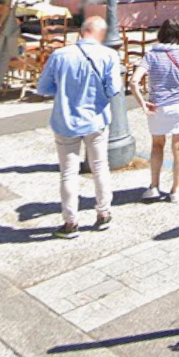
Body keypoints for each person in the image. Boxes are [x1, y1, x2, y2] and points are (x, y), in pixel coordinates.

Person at [36, 15, 120, 239]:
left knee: (68, 172)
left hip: (66, 120)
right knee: (100, 167)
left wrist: (64, 91)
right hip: (96, 119)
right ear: (101, 35)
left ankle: (70, 222)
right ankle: (104, 214)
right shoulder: (109, 55)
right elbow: (114, 90)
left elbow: (43, 87)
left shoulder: (60, 55)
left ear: (81, 32)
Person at [130, 19, 179, 203]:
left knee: (157, 145)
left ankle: (154, 186)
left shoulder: (151, 54)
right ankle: (175, 190)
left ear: (161, 33)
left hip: (158, 106)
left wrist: (143, 104)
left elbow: (134, 81)